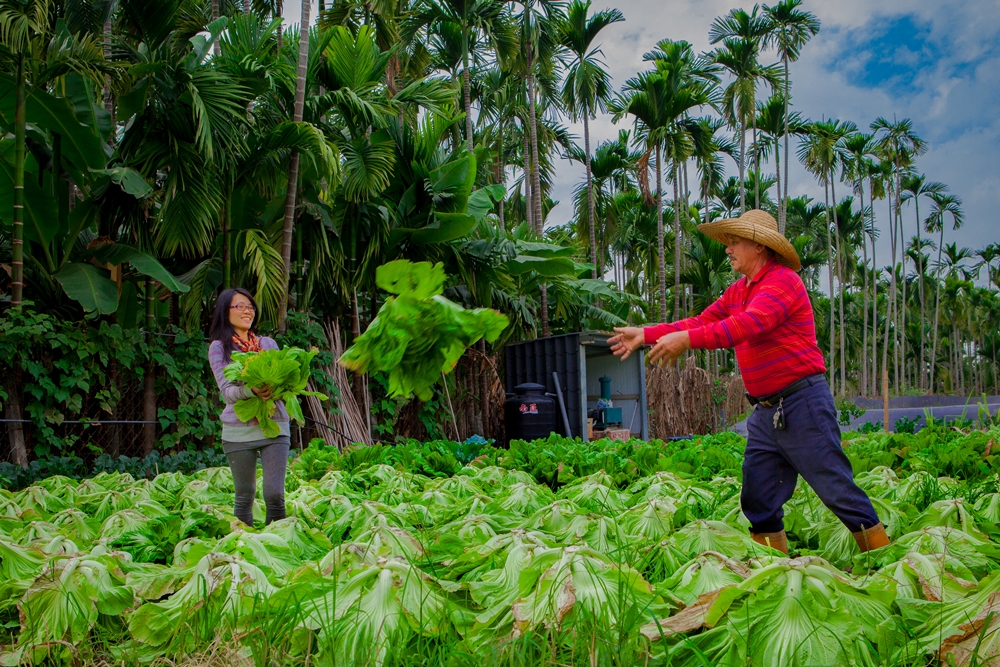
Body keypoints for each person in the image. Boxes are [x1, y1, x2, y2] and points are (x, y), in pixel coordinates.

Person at [609, 209, 889, 555]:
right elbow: (701, 321)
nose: (728, 248)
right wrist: (647, 333)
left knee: (835, 488)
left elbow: (747, 326)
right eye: (727, 241)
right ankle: (774, 566)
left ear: (759, 246)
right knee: (758, 498)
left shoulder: (783, 282)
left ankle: (882, 558)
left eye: (735, 241)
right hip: (765, 411)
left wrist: (687, 341)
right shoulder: (738, 291)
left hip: (802, 403)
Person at [208, 288, 289, 526]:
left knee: (275, 494)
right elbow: (226, 391)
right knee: (244, 496)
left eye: (250, 307)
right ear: (226, 311)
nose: (247, 311)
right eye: (240, 306)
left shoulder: (268, 344)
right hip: (238, 429)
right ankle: (243, 550)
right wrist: (250, 391)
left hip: (274, 425)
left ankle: (277, 544)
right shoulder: (219, 348)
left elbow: (284, 377)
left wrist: (280, 388)